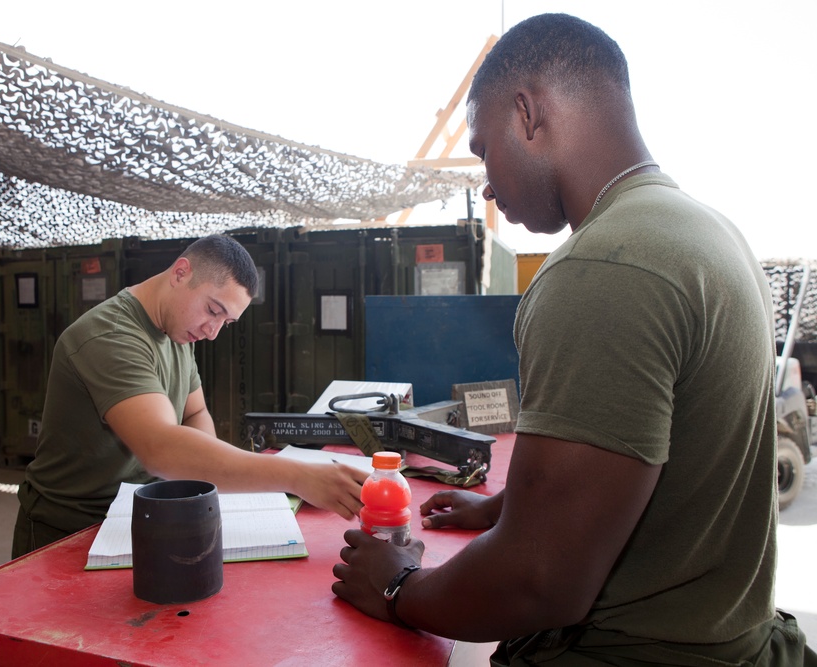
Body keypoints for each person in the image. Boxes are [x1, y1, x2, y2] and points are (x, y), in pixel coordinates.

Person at [332, 13, 816, 665]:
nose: (485, 180)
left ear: (527, 114)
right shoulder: (709, 234)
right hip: (733, 638)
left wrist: (395, 584)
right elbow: (668, 455)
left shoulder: (605, 266)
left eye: (482, 149)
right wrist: (506, 507)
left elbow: (537, 580)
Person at [12, 234, 368, 558]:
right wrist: (297, 475)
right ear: (181, 273)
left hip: (135, 515)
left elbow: (195, 412)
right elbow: (161, 448)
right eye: (213, 310)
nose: (212, 332)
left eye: (225, 322)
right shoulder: (110, 336)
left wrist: (203, 484)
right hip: (67, 529)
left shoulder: (177, 330)